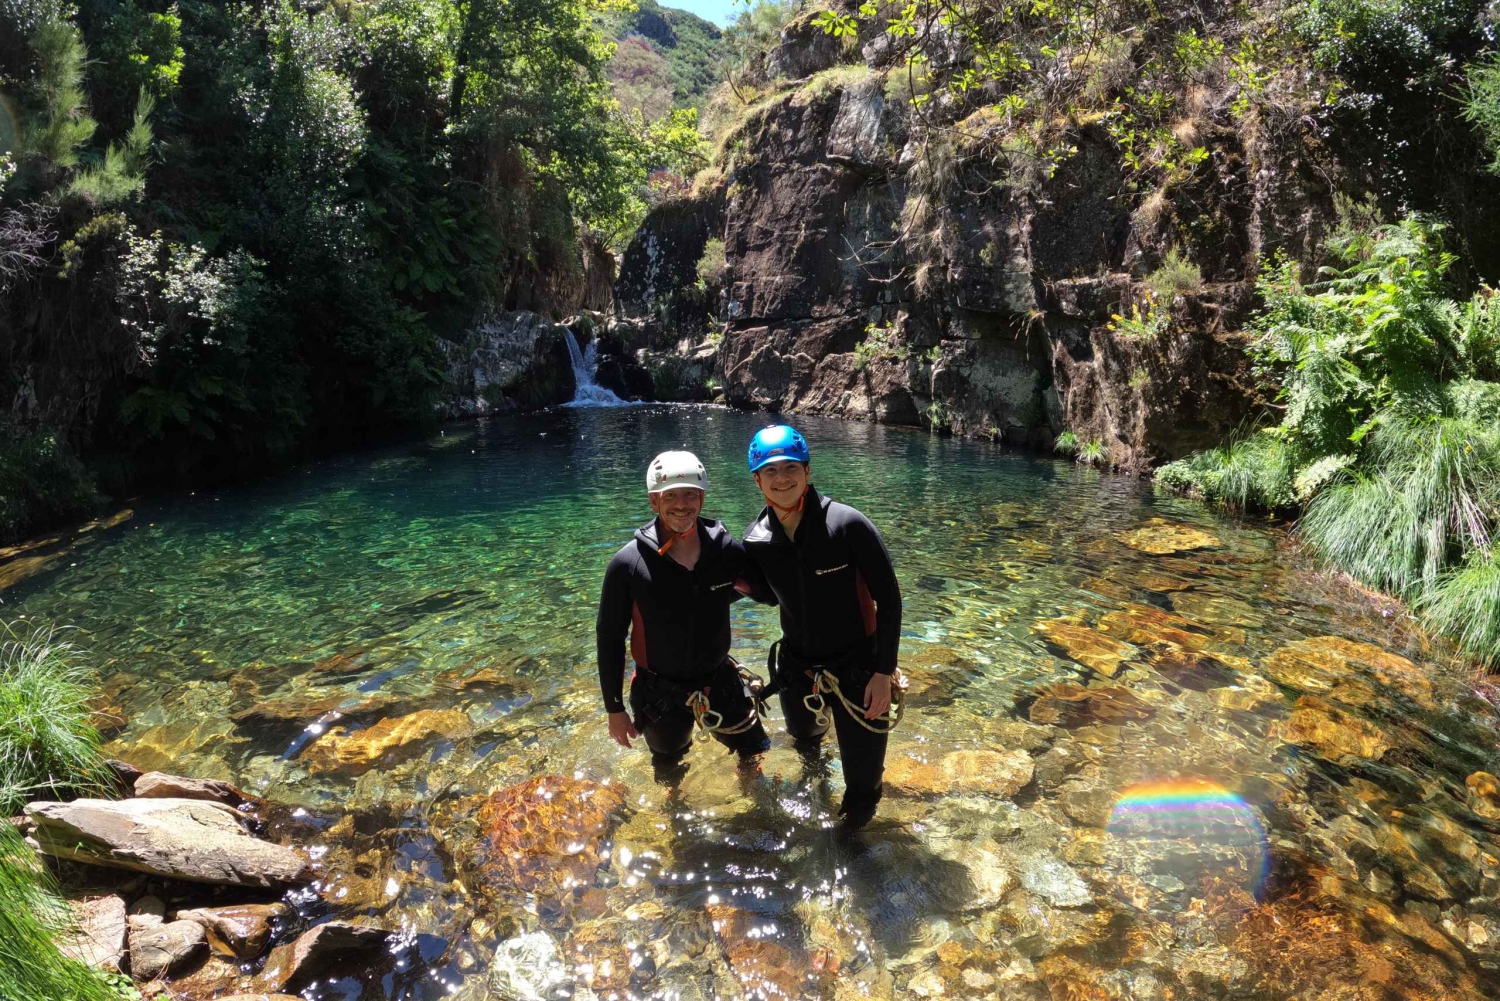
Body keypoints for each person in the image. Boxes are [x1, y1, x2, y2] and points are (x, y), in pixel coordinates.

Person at [742, 425, 902, 831]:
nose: (782, 479)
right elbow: (764, 593)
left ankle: (850, 852)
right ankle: (816, 798)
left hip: (859, 670)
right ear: (757, 479)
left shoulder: (847, 525)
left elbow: (891, 599)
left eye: (791, 467)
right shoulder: (757, 540)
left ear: (808, 471)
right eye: (770, 471)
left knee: (864, 785)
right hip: (798, 671)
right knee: (806, 749)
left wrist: (884, 672)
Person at [596, 450, 771, 780]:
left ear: (702, 497)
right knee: (668, 766)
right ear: (653, 501)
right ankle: (674, 820)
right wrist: (614, 709)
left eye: (691, 493)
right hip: (660, 692)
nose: (682, 504)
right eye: (671, 495)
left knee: (754, 749)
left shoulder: (726, 551)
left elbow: (769, 593)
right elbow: (609, 638)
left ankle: (756, 807)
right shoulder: (629, 565)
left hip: (719, 680)